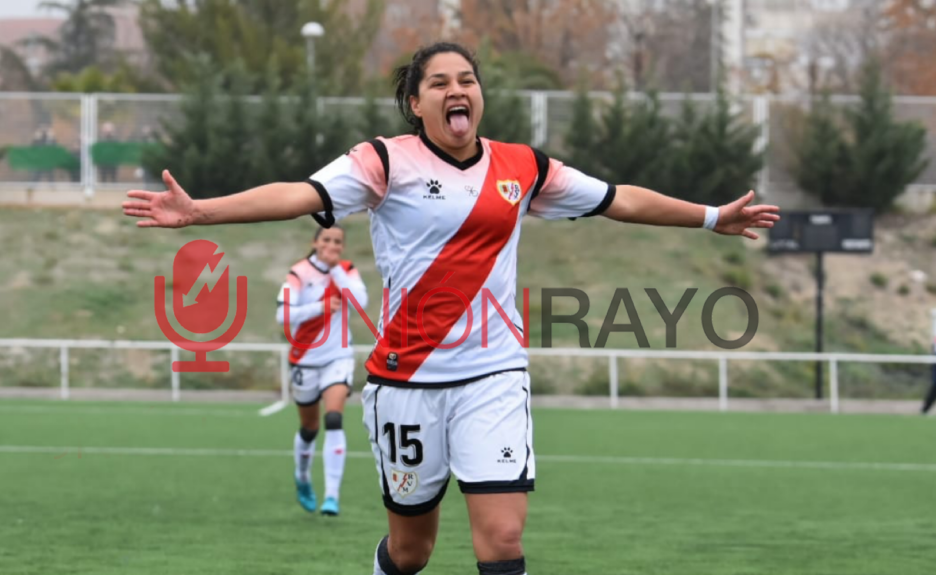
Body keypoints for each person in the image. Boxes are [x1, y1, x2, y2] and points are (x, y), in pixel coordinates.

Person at [121, 41, 780, 575]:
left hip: (493, 376)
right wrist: (201, 211)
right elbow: (299, 194)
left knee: (502, 539)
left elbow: (619, 199)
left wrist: (712, 216)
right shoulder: (382, 162)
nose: (456, 90)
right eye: (438, 83)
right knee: (412, 552)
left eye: (466, 79)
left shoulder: (523, 166)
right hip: (405, 382)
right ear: (415, 102)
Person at [276, 225, 367, 516]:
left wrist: (336, 271)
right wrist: (320, 307)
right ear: (314, 242)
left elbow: (360, 302)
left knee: (334, 418)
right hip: (304, 358)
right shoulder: (299, 273)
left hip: (338, 356)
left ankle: (332, 495)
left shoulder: (347, 270)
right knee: (309, 428)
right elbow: (283, 315)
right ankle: (302, 476)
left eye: (337, 241)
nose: (331, 245)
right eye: (326, 239)